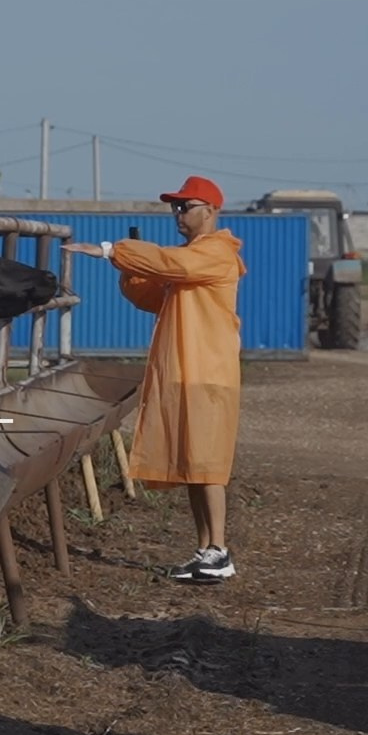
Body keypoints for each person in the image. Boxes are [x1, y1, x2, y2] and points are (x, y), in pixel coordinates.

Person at [66, 175, 247, 583]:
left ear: (212, 210)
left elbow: (170, 265)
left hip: (207, 374)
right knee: (192, 467)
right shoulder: (191, 258)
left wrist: (114, 250)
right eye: (175, 208)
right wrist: (130, 272)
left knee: (207, 465)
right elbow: (152, 295)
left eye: (186, 207)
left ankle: (219, 550)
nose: (178, 214)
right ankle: (205, 550)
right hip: (187, 372)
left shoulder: (215, 254)